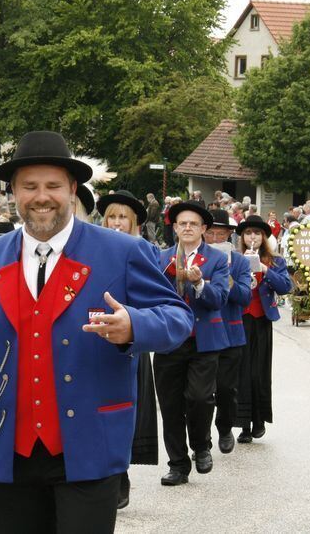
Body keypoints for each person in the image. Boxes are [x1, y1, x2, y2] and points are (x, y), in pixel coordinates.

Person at [0, 131, 193, 534]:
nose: (41, 196)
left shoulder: (121, 251)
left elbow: (178, 318)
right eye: (29, 186)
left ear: (72, 190)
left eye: (52, 186)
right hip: (10, 447)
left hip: (90, 444)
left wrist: (135, 325)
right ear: (13, 192)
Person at [154, 201, 230, 486]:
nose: (187, 227)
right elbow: (151, 295)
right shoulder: (161, 258)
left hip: (204, 341)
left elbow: (219, 299)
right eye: (182, 223)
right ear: (175, 228)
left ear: (203, 229)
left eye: (193, 224)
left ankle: (201, 445)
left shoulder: (217, 259)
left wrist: (200, 284)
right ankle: (177, 464)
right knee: (170, 405)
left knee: (199, 397)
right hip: (169, 340)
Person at [96, 190, 158, 508]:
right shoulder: (90, 249)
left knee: (123, 411)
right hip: (94, 338)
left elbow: (154, 300)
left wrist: (132, 320)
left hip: (129, 342)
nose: (117, 223)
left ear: (133, 223)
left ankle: (120, 473)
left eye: (123, 217)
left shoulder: (143, 250)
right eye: (112, 217)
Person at [235, 214, 293, 443]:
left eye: (257, 233)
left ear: (264, 237)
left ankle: (258, 420)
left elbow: (286, 287)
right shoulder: (235, 258)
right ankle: (244, 425)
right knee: (241, 372)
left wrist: (265, 270)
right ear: (242, 237)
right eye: (248, 233)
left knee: (259, 372)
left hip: (261, 321)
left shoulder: (275, 261)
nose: (252, 237)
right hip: (240, 320)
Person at [203, 209, 252, 455]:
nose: (215, 239)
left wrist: (227, 278)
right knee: (201, 393)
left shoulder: (240, 262)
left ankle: (224, 428)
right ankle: (201, 440)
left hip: (230, 334)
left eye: (220, 234)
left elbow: (245, 297)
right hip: (203, 333)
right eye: (210, 233)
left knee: (226, 388)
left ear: (229, 235)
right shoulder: (197, 258)